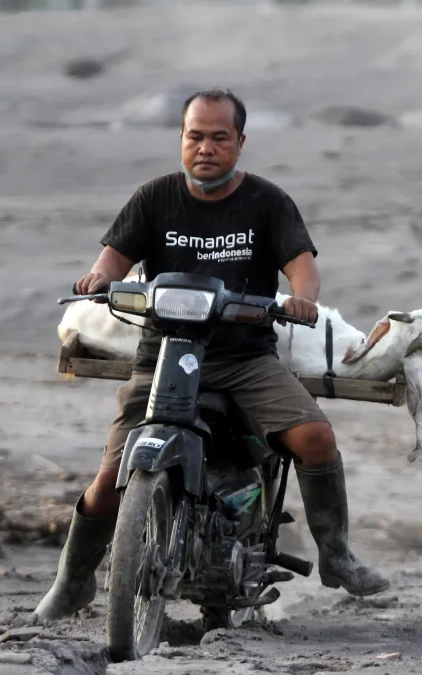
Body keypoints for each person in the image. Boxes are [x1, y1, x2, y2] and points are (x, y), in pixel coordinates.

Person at [30, 88, 390, 625]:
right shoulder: (153, 198)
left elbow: (301, 265)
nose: (206, 147)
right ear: (181, 139)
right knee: (108, 483)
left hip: (245, 359)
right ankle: (72, 581)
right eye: (195, 136)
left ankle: (336, 554)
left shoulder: (268, 202)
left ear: (240, 142)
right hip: (162, 354)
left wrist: (302, 298)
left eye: (219, 137)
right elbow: (111, 260)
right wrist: (100, 278)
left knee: (315, 437)